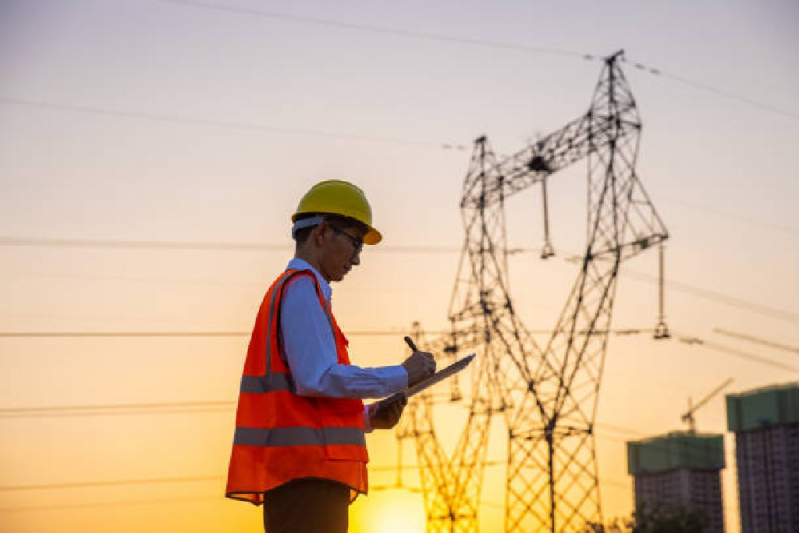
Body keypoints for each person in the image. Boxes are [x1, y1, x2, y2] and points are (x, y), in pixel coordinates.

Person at [225, 179, 436, 533]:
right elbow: (317, 379)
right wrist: (402, 374)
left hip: (306, 479)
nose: (356, 259)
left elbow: (306, 406)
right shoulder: (301, 291)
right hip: (307, 482)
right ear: (322, 232)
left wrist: (367, 418)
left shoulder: (301, 294)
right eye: (354, 243)